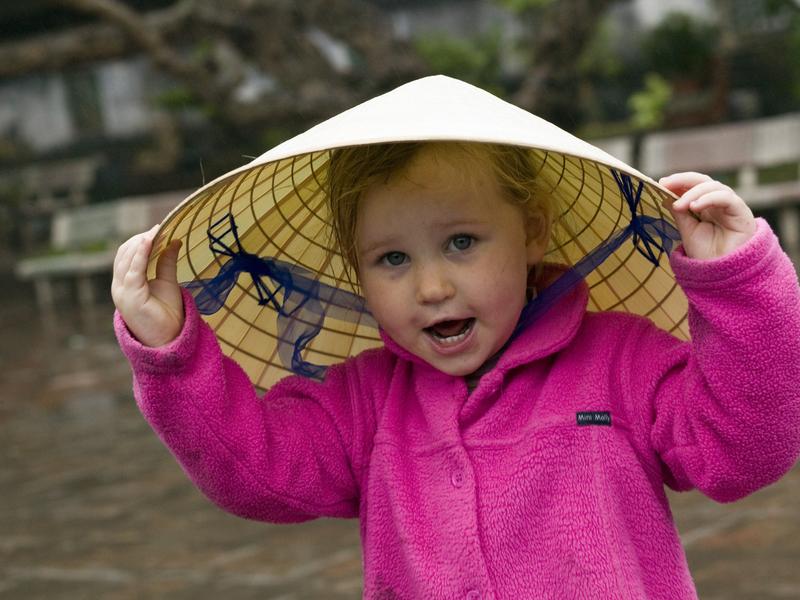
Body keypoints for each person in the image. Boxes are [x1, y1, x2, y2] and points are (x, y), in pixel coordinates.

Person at [112, 76, 800, 599]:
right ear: (358, 271)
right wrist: (171, 357)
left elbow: (744, 451)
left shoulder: (621, 358)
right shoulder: (363, 401)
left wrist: (743, 286)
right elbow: (255, 473)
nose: (431, 286)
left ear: (531, 230)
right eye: (392, 259)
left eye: (462, 243)